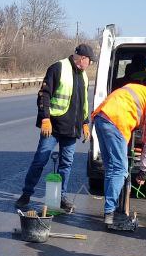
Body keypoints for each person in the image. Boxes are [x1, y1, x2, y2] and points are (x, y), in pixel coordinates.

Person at [16, 44, 94, 214]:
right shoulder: (58, 68)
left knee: (66, 164)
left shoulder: (84, 76)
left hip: (71, 129)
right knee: (40, 160)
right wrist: (45, 119)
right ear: (83, 58)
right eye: (90, 61)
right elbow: (44, 94)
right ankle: (26, 194)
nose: (89, 64)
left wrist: (86, 122)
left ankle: (61, 197)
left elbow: (84, 103)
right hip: (53, 127)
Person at [90, 82, 146, 231]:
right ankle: (111, 213)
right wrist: (143, 170)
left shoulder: (142, 91)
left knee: (111, 168)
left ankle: (109, 212)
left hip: (101, 117)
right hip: (116, 121)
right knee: (120, 170)